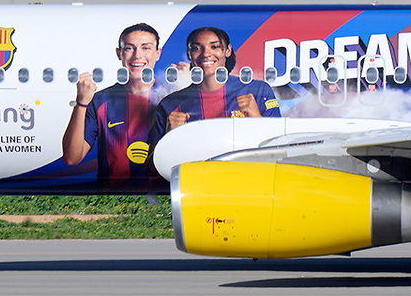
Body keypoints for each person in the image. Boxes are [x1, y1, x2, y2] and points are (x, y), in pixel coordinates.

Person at [62, 22, 165, 191]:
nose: (137, 56)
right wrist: (81, 102)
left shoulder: (170, 98)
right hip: (112, 198)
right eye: (129, 48)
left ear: (157, 53)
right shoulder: (100, 100)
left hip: (160, 199)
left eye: (146, 48)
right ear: (119, 54)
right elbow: (71, 158)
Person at [150, 25, 282, 145]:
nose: (206, 53)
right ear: (189, 54)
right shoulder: (170, 104)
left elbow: (278, 149)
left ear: (228, 51)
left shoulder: (258, 90)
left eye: (214, 47)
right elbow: (151, 168)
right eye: (196, 48)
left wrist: (256, 118)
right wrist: (169, 136)